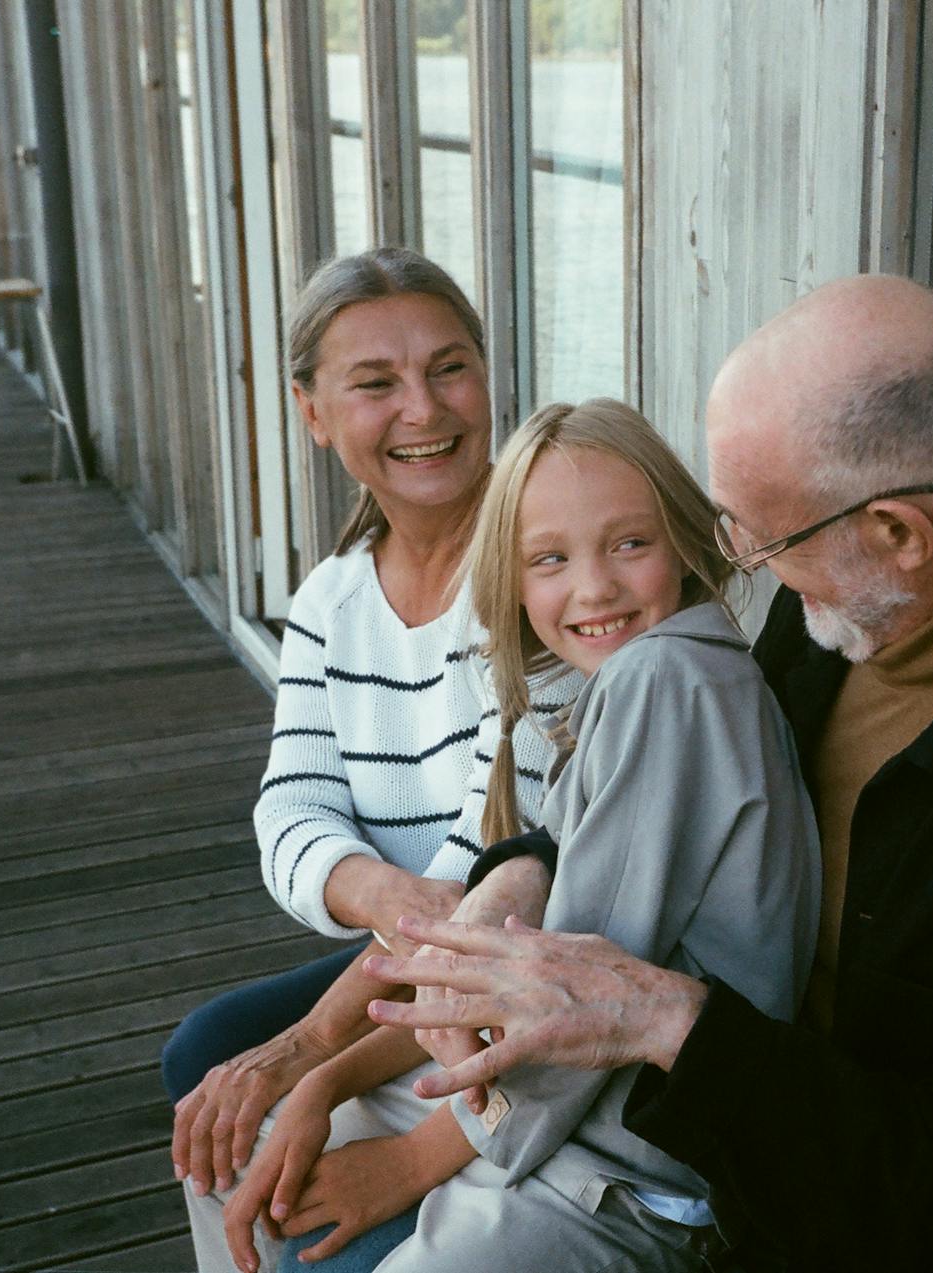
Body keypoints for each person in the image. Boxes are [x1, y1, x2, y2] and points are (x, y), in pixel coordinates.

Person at [366, 275, 933, 1271]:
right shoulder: (847, 609)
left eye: (760, 534)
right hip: (699, 1151)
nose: (738, 562)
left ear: (897, 534)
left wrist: (673, 1025)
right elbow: (681, 810)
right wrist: (523, 868)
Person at [187, 399, 821, 1273]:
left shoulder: (669, 683)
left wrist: (404, 1166)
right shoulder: (622, 684)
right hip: (536, 1112)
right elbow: (501, 970)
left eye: (630, 543)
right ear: (513, 584)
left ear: (685, 538)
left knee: (277, 1184)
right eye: (550, 559)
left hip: (619, 1170)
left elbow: (570, 1015)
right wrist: (325, 1077)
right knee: (240, 1149)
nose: (593, 586)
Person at [162, 247, 573, 1257]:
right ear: (314, 413)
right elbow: (290, 812)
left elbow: (487, 866)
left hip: (530, 954)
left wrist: (310, 1048)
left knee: (260, 1081)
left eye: (449, 367)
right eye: (376, 384)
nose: (424, 410)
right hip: (414, 951)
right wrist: (385, 897)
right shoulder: (333, 596)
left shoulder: (549, 575)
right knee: (206, 1055)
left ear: (489, 377)